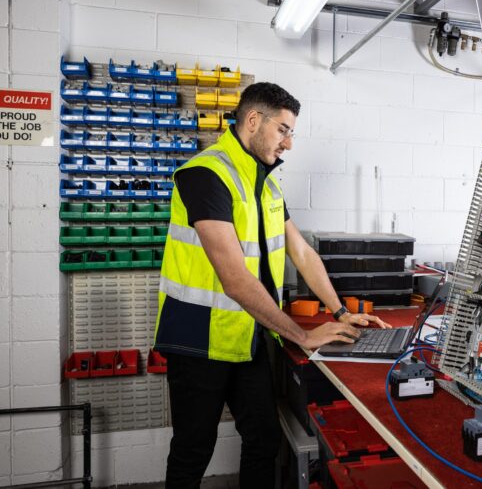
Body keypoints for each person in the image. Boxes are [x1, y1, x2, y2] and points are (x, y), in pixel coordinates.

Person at [153, 82, 391, 488]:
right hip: (198, 340)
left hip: (247, 336)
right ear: (252, 120)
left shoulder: (266, 182)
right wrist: (302, 335)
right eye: (283, 129)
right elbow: (233, 277)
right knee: (193, 450)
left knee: (263, 439)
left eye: (291, 132)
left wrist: (340, 311)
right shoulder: (205, 174)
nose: (289, 143)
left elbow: (302, 252)